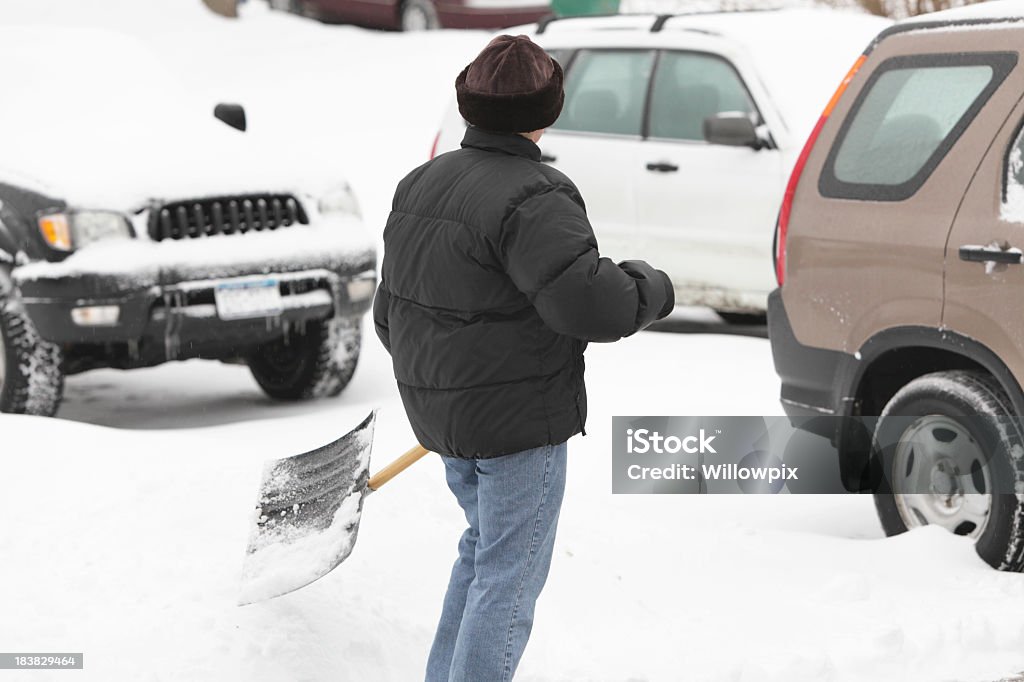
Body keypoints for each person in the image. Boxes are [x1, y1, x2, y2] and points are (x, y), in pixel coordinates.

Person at [373, 34, 675, 682]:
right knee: (507, 582)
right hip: (514, 427)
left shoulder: (420, 186)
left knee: (483, 556)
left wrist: (450, 379)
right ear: (549, 110)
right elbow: (591, 306)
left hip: (446, 420)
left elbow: (388, 314)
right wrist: (651, 286)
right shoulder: (536, 195)